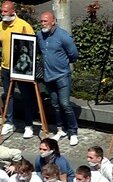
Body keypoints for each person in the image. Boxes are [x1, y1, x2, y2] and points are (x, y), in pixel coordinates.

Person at [37, 11, 79, 146]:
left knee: (65, 104)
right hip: (48, 77)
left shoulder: (63, 36)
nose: (43, 23)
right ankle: (61, 130)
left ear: (53, 21)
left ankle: (73, 131)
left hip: (62, 76)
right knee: (55, 105)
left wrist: (63, 63)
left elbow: (73, 54)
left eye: (45, 21)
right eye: (41, 21)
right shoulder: (39, 35)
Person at [0, 1, 35, 138]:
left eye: (5, 11)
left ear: (13, 11)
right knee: (8, 96)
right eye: (2, 11)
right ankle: (9, 122)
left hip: (21, 69)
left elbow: (31, 48)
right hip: (6, 67)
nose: (3, 14)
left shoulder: (24, 26)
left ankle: (28, 125)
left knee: (26, 97)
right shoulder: (0, 26)